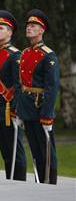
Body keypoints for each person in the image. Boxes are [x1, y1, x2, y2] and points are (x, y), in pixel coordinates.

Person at [16, 9, 59, 184]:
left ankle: (50, 182)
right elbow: (21, 84)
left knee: (46, 150)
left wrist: (47, 115)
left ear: (42, 30)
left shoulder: (48, 55)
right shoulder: (25, 53)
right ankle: (39, 181)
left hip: (40, 106)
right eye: (28, 25)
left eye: (33, 26)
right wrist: (19, 110)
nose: (29, 28)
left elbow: (52, 87)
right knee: (34, 148)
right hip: (27, 105)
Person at [0, 10, 27, 181]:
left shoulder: (15, 55)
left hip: (8, 108)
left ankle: (18, 180)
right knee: (4, 147)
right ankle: (10, 178)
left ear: (10, 32)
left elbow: (19, 85)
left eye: (1, 28)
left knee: (14, 148)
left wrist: (16, 109)